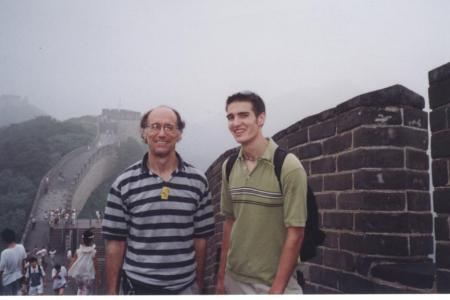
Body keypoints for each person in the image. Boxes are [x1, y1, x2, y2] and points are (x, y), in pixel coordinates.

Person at [102, 106, 214, 295]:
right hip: (137, 287)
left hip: (185, 288)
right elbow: (115, 241)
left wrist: (199, 284)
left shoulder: (198, 182)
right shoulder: (124, 183)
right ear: (144, 132)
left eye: (169, 127)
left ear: (179, 134)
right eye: (155, 127)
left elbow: (200, 239)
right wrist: (112, 292)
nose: (162, 134)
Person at [215, 91, 307, 294]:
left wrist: (276, 291)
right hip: (233, 280)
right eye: (230, 117)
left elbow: (296, 234)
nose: (235, 122)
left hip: (271, 284)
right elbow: (229, 223)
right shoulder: (229, 166)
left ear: (261, 118)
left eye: (243, 115)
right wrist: (221, 279)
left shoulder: (287, 166)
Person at [68, 229, 99, 295]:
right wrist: (98, 278)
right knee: (88, 291)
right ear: (92, 240)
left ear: (82, 240)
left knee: (80, 289)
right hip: (89, 276)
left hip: (79, 276)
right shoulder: (93, 252)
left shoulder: (78, 251)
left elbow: (73, 262)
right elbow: (96, 266)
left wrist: (70, 272)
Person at [0, 228, 27, 295]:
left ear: (4, 240)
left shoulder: (5, 253)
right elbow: (23, 265)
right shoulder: (21, 247)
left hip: (8, 280)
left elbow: (1, 270)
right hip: (19, 277)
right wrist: (23, 280)